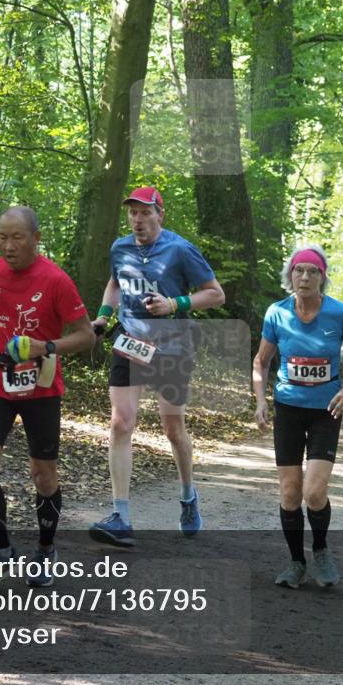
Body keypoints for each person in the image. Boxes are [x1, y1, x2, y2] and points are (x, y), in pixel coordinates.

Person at [0, 206, 95, 589]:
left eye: (17, 237)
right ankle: (0, 550)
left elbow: (86, 335)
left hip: (41, 386)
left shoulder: (56, 280)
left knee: (42, 474)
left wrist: (44, 346)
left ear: (36, 238)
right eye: (2, 236)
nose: (8, 245)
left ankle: (46, 551)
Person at [88, 187, 225, 547]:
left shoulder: (179, 249)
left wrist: (175, 303)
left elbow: (215, 293)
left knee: (172, 429)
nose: (138, 219)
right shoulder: (120, 248)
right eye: (132, 213)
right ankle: (121, 515)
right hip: (130, 343)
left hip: (171, 348)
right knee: (121, 422)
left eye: (145, 213)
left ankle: (188, 495)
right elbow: (115, 282)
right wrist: (103, 317)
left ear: (160, 215)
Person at [252, 245, 343, 588]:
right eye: (299, 270)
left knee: (314, 493)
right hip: (288, 409)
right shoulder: (277, 313)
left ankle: (320, 550)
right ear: (290, 275)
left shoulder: (340, 314)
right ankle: (296, 563)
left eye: (312, 271)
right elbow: (261, 361)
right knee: (290, 493)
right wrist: (261, 400)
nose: (305, 277)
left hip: (326, 410)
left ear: (322, 277)